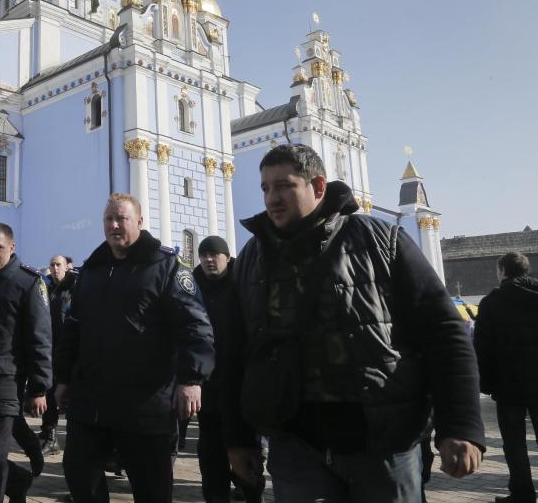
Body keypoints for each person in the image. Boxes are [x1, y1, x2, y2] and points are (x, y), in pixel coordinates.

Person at [222, 144, 484, 503]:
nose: (272, 198)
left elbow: (445, 332)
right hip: (296, 446)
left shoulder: (381, 241)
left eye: (284, 185)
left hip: (382, 442)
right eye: (266, 188)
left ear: (317, 187)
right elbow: (236, 353)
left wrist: (461, 424)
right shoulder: (253, 258)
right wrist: (238, 439)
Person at [55, 193, 215, 503]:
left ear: (139, 222)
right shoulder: (92, 269)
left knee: (152, 488)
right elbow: (73, 328)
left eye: (122, 219)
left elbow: (196, 327)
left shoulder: (165, 266)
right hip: (92, 399)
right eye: (108, 219)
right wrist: (63, 378)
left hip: (145, 404)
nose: (114, 225)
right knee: (79, 472)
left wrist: (192, 379)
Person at [0, 222, 52, 503]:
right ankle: (18, 480)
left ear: (11, 247)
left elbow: (40, 338)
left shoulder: (28, 282)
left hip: (6, 381)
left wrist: (39, 388)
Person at [191, 236, 264, 503]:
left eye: (215, 255)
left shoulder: (242, 283)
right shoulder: (192, 287)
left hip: (241, 389)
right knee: (210, 458)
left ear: (226, 257)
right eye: (205, 255)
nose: (210, 260)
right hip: (208, 390)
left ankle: (252, 495)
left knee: (244, 457)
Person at [474, 251, 538, 503]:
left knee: (514, 443)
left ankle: (522, 494)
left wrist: (486, 384)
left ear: (502, 271)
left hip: (508, 383)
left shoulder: (492, 302)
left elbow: (483, 348)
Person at [40, 254, 77, 455]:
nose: (55, 268)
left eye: (58, 265)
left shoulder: (75, 287)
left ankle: (74, 438)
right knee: (50, 393)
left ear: (66, 267)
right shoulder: (46, 289)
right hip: (51, 349)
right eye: (52, 265)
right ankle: (50, 437)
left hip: (70, 350)